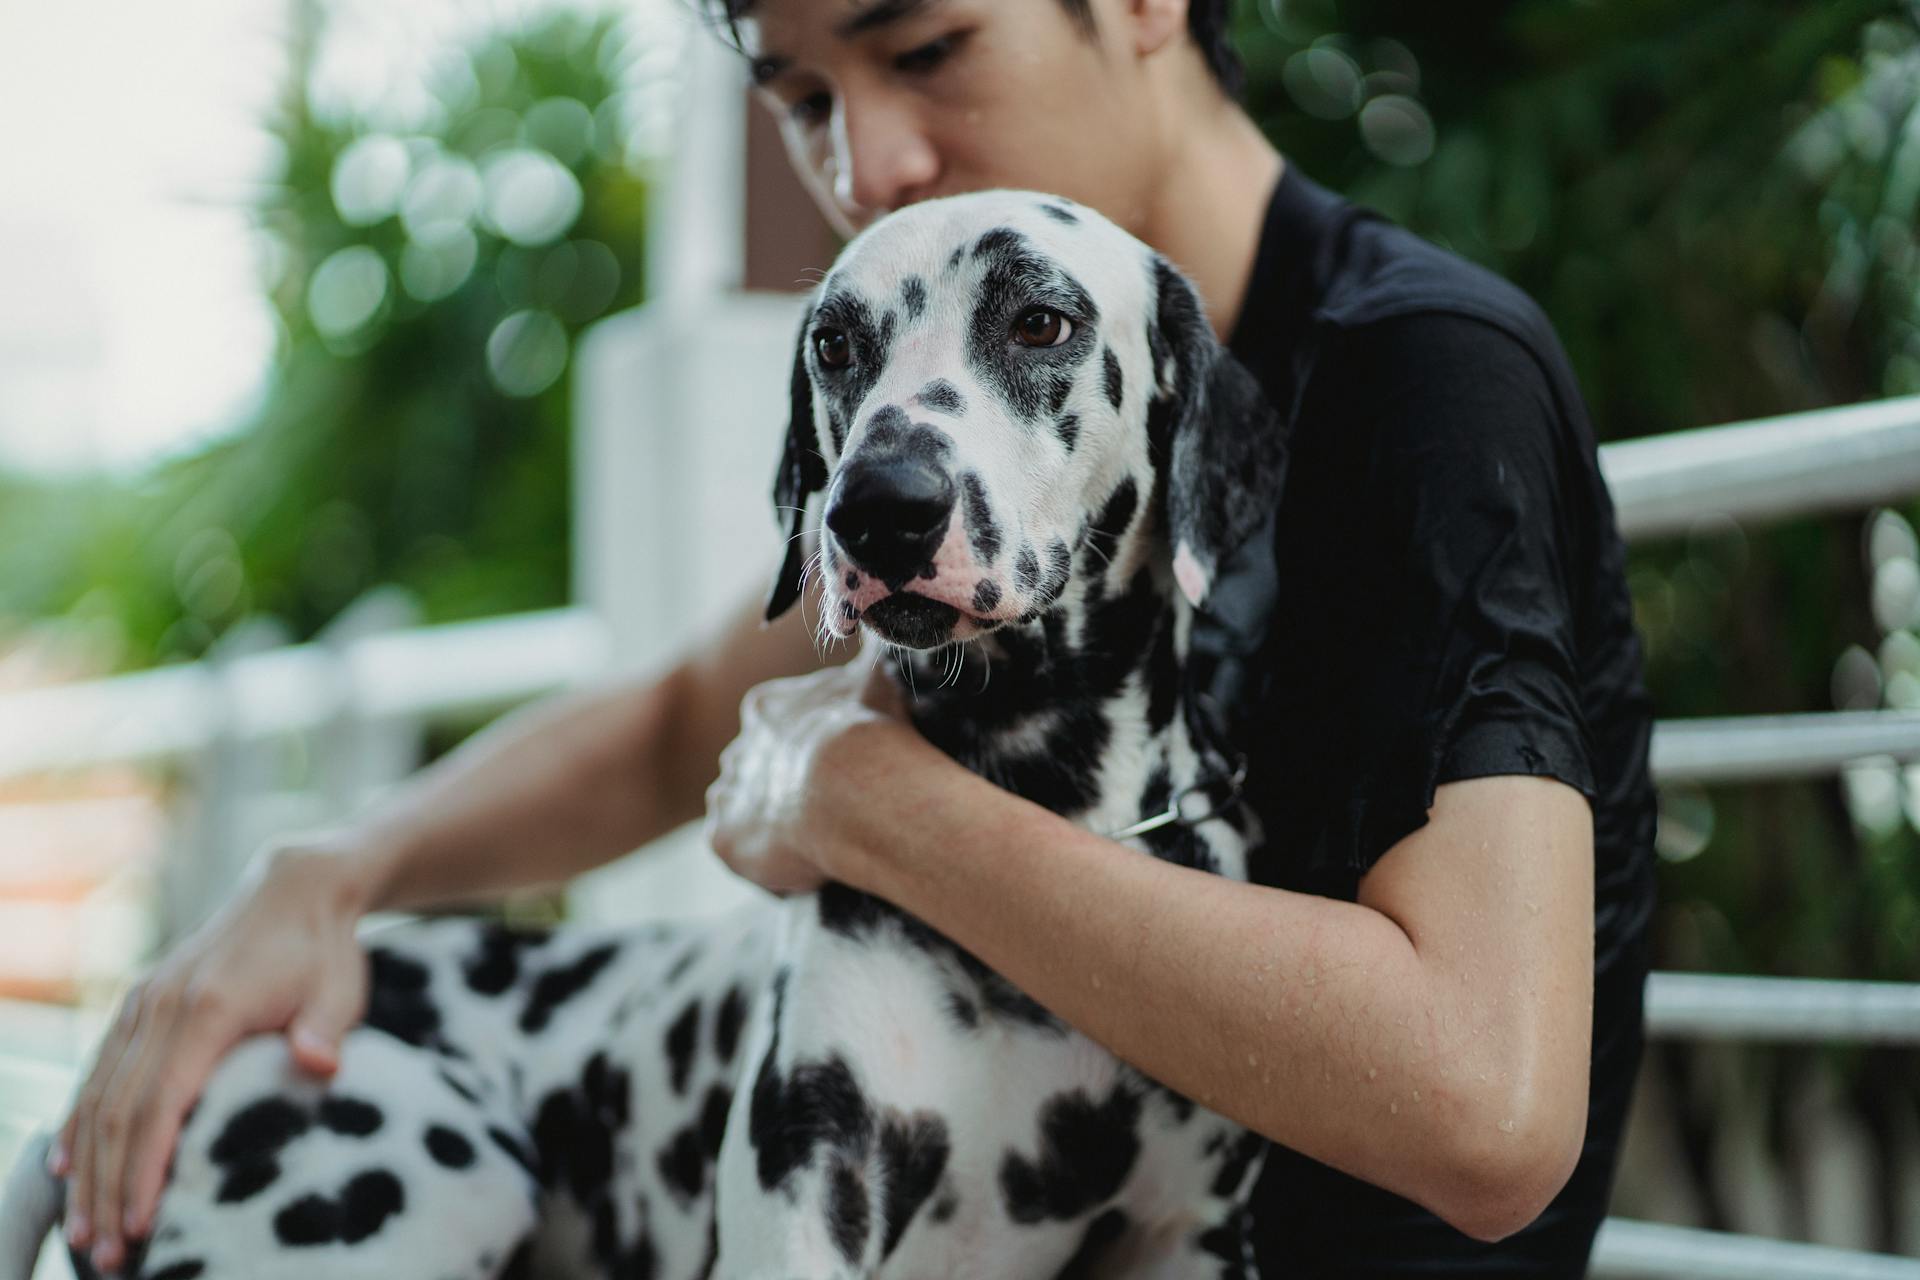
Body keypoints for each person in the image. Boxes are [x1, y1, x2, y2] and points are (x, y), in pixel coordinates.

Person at [53, 0, 1656, 1274]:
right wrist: (332, 873)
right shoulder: (961, 441)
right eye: (804, 97)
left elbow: (1488, 1108)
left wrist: (882, 812)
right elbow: (695, 720)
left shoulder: (1418, 383)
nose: (871, 164)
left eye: (926, 46)